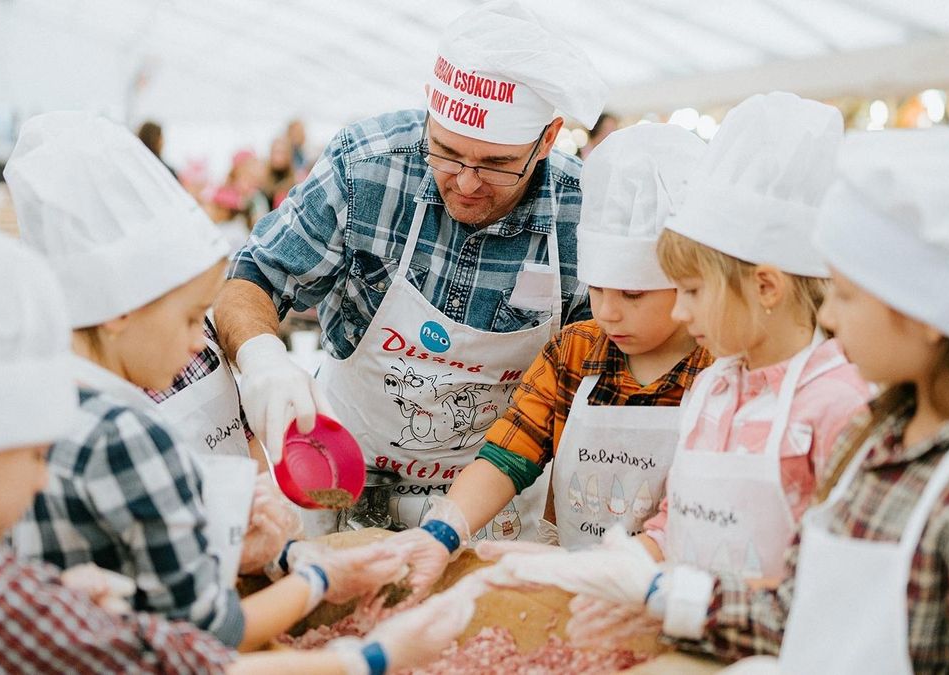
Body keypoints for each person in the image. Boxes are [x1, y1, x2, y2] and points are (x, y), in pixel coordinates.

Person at [491, 127, 949, 674]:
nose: (828, 315)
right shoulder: (876, 440)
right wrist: (655, 588)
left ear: (925, 315)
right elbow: (794, 611)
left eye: (846, 296)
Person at [0, 216, 475, 674]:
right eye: (34, 454)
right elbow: (203, 666)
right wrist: (375, 655)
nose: (41, 478)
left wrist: (68, 613)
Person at [214, 0, 607, 545]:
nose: (466, 183)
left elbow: (593, 381)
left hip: (491, 512)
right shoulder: (366, 167)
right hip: (341, 481)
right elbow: (253, 278)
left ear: (546, 139)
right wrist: (263, 363)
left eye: (495, 164)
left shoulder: (580, 211)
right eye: (446, 154)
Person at [4, 112, 401, 652]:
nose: (202, 337)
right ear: (120, 310)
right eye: (191, 318)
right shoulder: (120, 433)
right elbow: (203, 633)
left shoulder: (71, 388)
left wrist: (273, 547)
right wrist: (319, 581)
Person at [398, 123, 712, 589]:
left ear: (690, 282)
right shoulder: (577, 350)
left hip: (678, 593)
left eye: (632, 294)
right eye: (598, 289)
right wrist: (443, 532)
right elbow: (507, 456)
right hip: (572, 580)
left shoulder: (718, 368)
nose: (607, 312)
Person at [633, 92, 869, 579]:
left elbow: (837, 570)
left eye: (694, 291)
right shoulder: (712, 389)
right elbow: (672, 524)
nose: (679, 311)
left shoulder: (840, 405)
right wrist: (611, 567)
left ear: (766, 285)